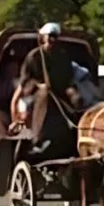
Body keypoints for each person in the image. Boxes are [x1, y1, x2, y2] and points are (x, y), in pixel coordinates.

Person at [12, 22, 82, 153]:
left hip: (59, 95)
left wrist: (71, 92)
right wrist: (38, 85)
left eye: (54, 37)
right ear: (42, 37)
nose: (52, 40)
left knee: (77, 98)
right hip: (34, 97)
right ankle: (37, 138)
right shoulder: (34, 56)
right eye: (49, 36)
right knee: (44, 94)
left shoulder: (63, 57)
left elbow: (68, 80)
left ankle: (77, 135)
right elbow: (25, 83)